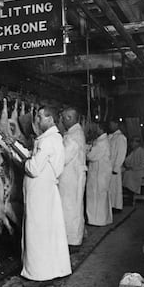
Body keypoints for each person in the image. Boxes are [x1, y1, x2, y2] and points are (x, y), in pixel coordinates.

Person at [14, 106, 71, 282]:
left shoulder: (48, 141)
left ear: (50, 119)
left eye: (40, 117)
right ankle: (50, 271)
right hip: (43, 192)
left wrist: (22, 159)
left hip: (40, 194)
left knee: (36, 234)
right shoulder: (50, 139)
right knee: (45, 233)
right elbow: (33, 157)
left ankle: (39, 275)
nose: (36, 120)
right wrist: (14, 145)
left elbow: (33, 167)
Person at [58, 107, 87, 251]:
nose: (62, 121)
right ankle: (73, 238)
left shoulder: (74, 136)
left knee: (70, 209)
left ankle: (73, 242)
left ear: (69, 118)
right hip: (72, 176)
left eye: (63, 118)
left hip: (71, 177)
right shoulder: (74, 132)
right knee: (72, 208)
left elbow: (63, 157)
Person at [86, 122, 113, 226]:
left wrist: (86, 151)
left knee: (96, 196)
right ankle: (103, 218)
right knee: (102, 196)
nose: (95, 129)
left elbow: (91, 156)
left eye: (96, 127)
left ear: (101, 129)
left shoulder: (102, 143)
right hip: (101, 172)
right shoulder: (101, 141)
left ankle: (97, 220)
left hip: (99, 174)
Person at [107, 118, 127, 210]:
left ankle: (117, 206)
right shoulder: (112, 136)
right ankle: (111, 205)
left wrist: (116, 167)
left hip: (115, 167)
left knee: (115, 188)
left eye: (112, 124)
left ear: (116, 124)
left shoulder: (120, 137)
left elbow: (121, 154)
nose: (110, 126)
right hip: (109, 166)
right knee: (111, 188)